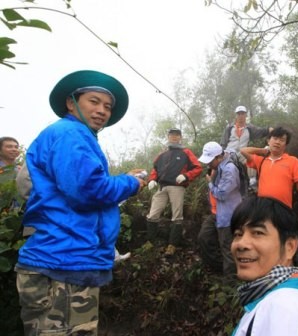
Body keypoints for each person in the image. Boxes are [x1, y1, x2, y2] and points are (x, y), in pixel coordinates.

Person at [15, 70, 147, 336]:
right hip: (60, 261)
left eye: (107, 107)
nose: (102, 111)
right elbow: (88, 190)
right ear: (71, 102)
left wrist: (120, 181)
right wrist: (131, 183)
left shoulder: (76, 136)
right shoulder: (70, 134)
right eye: (93, 101)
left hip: (70, 259)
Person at [230, 196, 298, 335]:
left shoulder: (284, 306)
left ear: (290, 247)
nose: (241, 244)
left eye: (257, 233)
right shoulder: (269, 300)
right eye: (238, 234)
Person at [240, 126, 298, 234]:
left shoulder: (292, 161)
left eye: (282, 140)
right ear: (268, 140)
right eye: (275, 138)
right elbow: (243, 150)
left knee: (282, 240)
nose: (277, 142)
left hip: (283, 210)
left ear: (286, 145)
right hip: (263, 210)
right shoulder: (261, 161)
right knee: (264, 240)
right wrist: (263, 151)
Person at [145, 128, 202, 255]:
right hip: (161, 187)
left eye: (177, 135)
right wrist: (152, 180)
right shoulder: (162, 153)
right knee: (153, 214)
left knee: (177, 216)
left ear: (180, 137)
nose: (174, 137)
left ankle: (172, 245)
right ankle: (150, 242)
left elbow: (198, 167)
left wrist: (186, 176)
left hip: (177, 187)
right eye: (172, 135)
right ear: (168, 137)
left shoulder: (186, 152)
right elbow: (155, 168)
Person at [197, 142, 241, 277]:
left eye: (210, 161)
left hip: (229, 215)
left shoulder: (229, 169)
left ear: (218, 157)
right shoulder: (220, 166)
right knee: (204, 238)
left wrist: (210, 182)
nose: (207, 164)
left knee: (228, 248)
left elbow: (221, 194)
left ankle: (230, 283)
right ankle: (220, 270)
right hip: (218, 213)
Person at [220, 105, 273, 190]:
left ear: (246, 115)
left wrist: (269, 130)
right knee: (223, 169)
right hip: (229, 153)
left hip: (242, 153)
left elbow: (260, 131)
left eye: (243, 114)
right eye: (239, 114)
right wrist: (221, 154)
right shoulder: (229, 128)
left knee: (251, 159)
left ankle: (252, 182)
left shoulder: (249, 128)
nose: (241, 116)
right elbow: (223, 142)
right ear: (236, 115)